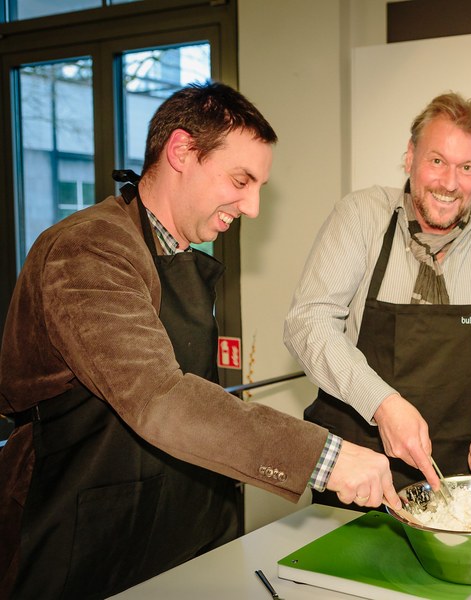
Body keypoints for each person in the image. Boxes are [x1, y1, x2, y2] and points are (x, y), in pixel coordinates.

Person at [0, 82, 399, 600]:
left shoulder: (178, 252)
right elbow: (160, 397)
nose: (253, 206)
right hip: (86, 528)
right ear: (182, 151)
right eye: (241, 180)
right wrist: (328, 457)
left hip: (183, 519)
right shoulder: (87, 248)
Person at [283, 92, 471, 499]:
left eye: (467, 167)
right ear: (410, 156)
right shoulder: (361, 217)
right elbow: (308, 323)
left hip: (457, 486)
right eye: (437, 161)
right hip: (358, 478)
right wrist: (381, 402)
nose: (450, 183)